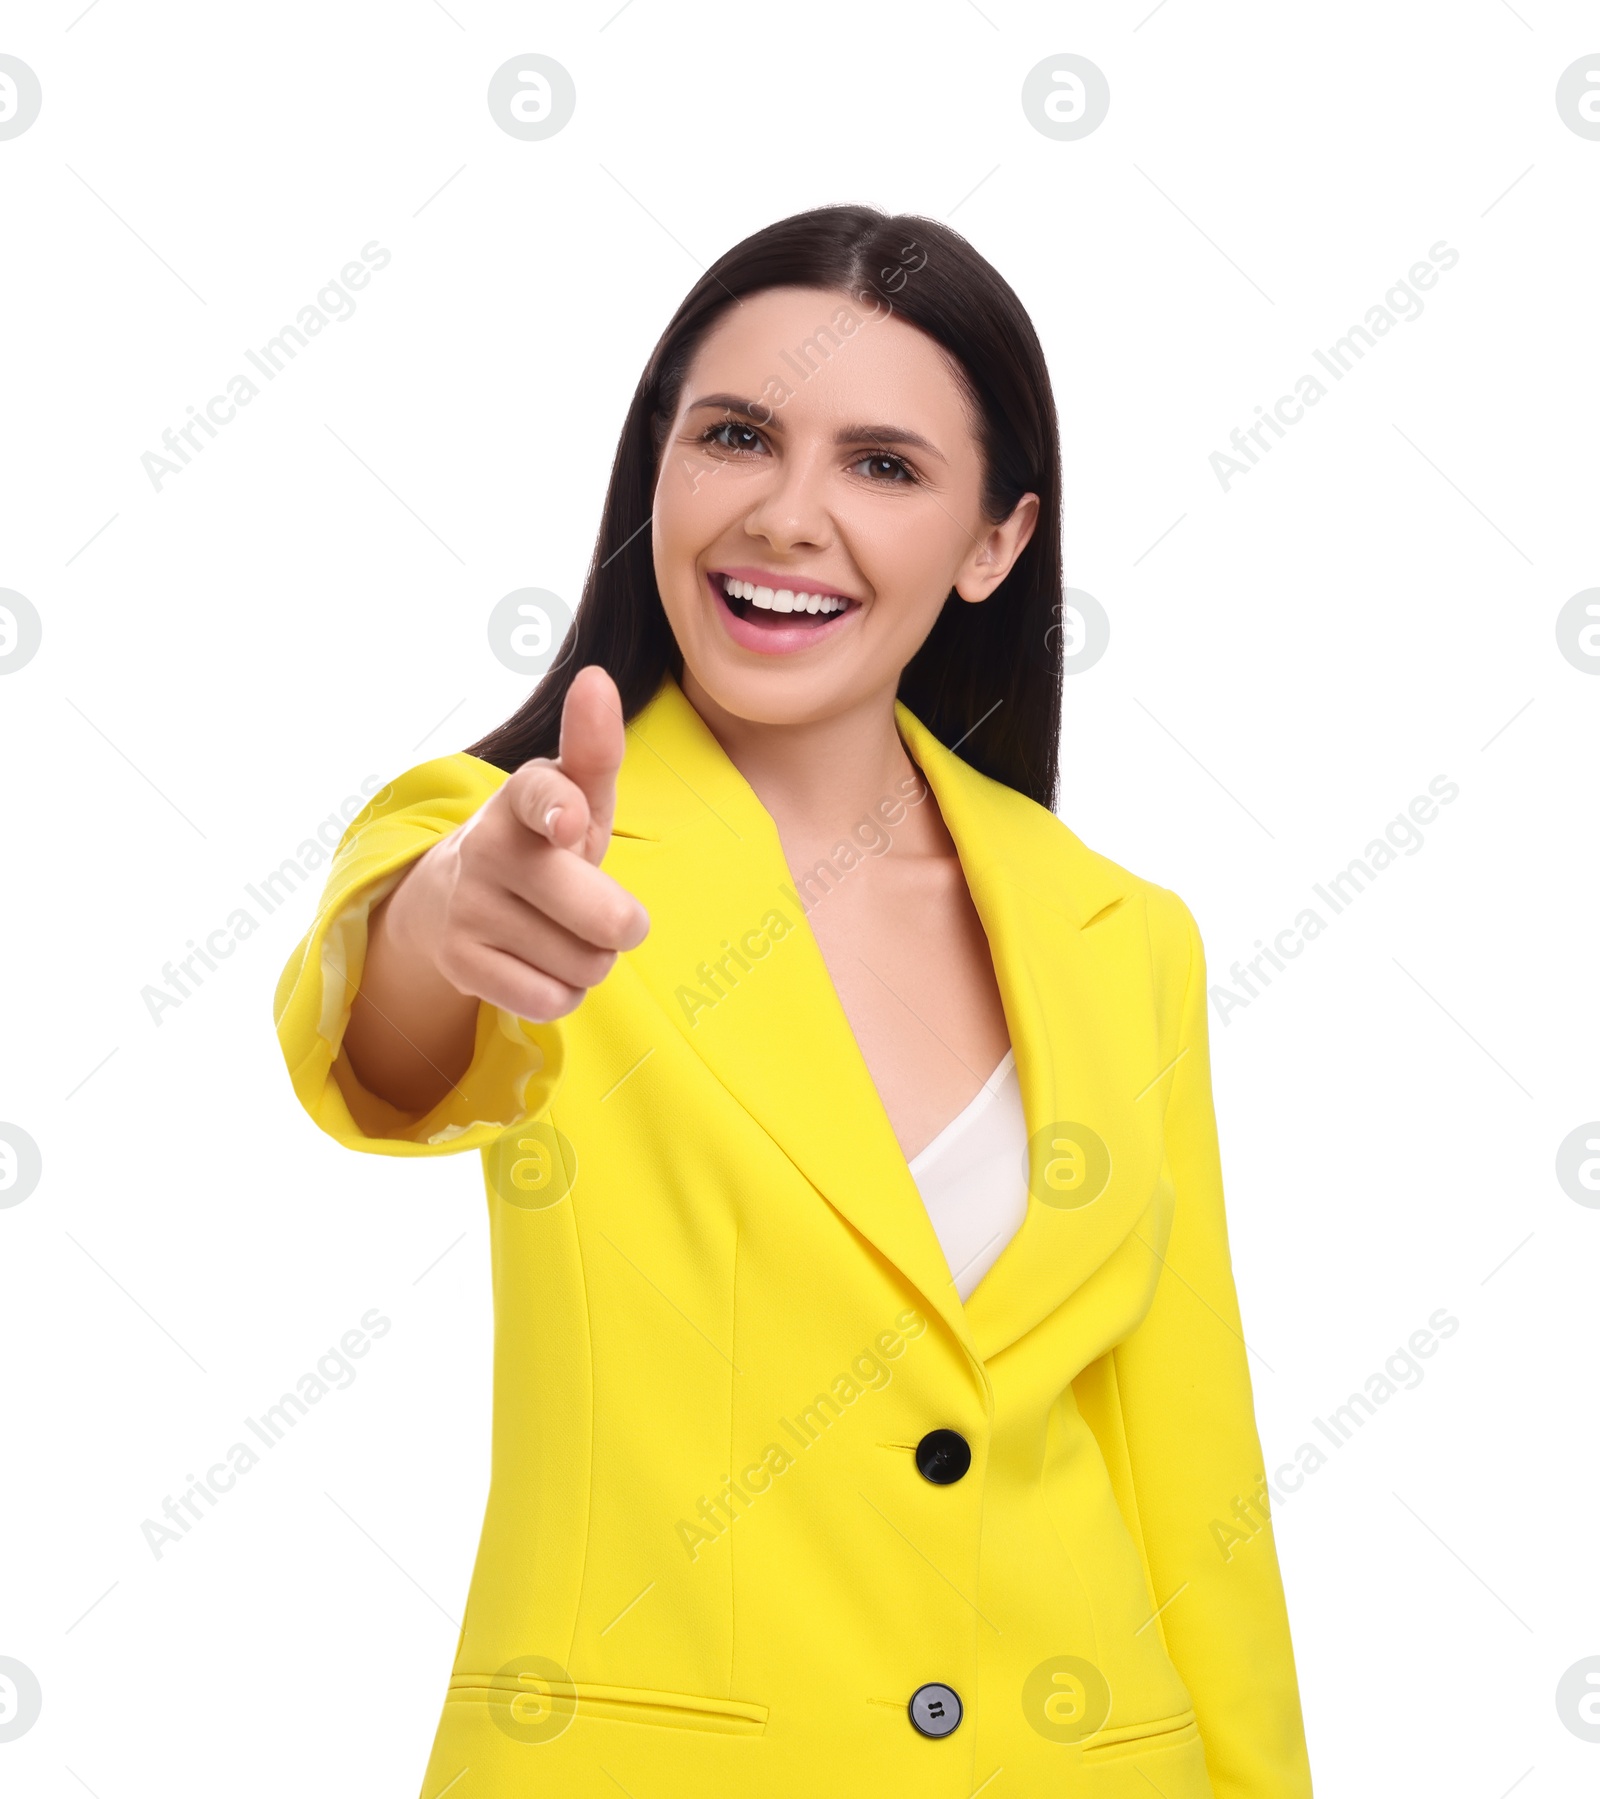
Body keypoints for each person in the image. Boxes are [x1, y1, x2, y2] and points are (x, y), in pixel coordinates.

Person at [273, 204, 1314, 1797]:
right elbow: (389, 1033)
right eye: (737, 437)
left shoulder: (1125, 938)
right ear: (660, 470)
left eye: (883, 466)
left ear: (995, 544)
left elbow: (1193, 1480)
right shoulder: (523, 837)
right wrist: (449, 923)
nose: (785, 515)